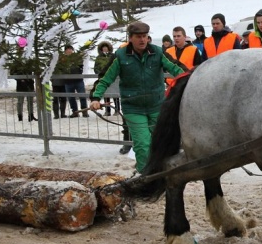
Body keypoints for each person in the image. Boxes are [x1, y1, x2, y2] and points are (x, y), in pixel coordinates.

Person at [90, 22, 185, 173]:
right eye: (138, 37)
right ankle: (145, 176)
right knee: (143, 144)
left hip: (157, 106)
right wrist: (95, 97)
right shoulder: (120, 56)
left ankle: (162, 174)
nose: (142, 40)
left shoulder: (158, 52)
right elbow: (105, 78)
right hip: (133, 108)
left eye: (145, 36)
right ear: (130, 38)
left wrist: (190, 80)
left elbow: (177, 69)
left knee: (161, 143)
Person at [62, 45, 89, 118]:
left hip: (78, 80)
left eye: (70, 49)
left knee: (82, 96)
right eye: (67, 49)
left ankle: (84, 111)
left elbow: (82, 65)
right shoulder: (62, 59)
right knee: (71, 98)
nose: (69, 51)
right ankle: (75, 112)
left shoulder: (77, 58)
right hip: (68, 82)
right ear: (65, 51)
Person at [93, 41, 119, 116]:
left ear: (109, 48)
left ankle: (117, 109)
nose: (105, 49)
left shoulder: (113, 56)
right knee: (106, 94)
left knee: (115, 94)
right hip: (103, 77)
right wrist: (99, 73)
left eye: (106, 47)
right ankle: (107, 110)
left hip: (113, 77)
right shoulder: (99, 57)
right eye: (103, 48)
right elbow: (96, 67)